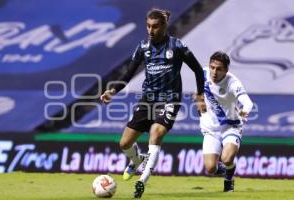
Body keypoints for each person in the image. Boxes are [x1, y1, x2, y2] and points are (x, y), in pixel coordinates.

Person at [100, 8, 206, 198]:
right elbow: (129, 73)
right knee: (124, 143)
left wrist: (199, 95)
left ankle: (142, 181)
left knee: (156, 134)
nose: (150, 30)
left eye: (155, 27)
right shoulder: (142, 47)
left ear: (164, 26)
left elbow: (198, 70)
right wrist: (113, 90)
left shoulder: (177, 46)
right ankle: (137, 159)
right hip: (147, 100)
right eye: (148, 26)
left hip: (169, 100)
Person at [199, 51, 253, 192]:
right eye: (212, 67)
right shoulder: (203, 73)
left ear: (226, 70)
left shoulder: (233, 83)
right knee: (210, 168)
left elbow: (248, 103)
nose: (214, 72)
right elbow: (198, 90)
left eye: (219, 69)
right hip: (211, 129)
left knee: (227, 158)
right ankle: (227, 170)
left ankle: (229, 180)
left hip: (231, 126)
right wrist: (198, 100)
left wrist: (245, 111)